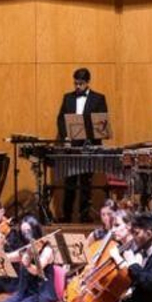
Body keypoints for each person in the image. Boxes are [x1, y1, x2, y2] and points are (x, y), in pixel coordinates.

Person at [55, 68, 108, 223]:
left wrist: (89, 135)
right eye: (75, 83)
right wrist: (65, 135)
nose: (77, 86)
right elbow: (60, 119)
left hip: (89, 146)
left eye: (81, 83)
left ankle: (84, 215)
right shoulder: (68, 98)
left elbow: (102, 122)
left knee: (86, 182)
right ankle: (67, 215)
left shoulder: (99, 98)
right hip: (71, 146)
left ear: (87, 82)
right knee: (69, 182)